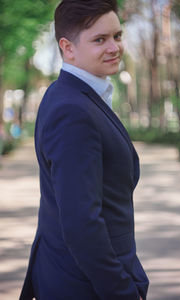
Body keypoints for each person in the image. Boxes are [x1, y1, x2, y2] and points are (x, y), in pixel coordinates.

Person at [20, 0, 149, 299]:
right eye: (99, 40)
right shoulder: (72, 110)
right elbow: (81, 224)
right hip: (85, 285)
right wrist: (122, 292)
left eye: (117, 36)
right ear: (68, 47)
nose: (114, 47)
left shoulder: (68, 94)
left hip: (72, 274)